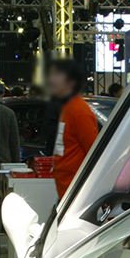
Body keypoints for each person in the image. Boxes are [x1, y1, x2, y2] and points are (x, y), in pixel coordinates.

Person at [46, 58, 98, 198]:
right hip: (68, 191)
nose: (51, 80)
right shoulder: (68, 107)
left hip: (77, 193)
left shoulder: (79, 112)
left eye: (56, 75)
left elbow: (94, 153)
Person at [0, 82, 20, 165]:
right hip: (2, 162)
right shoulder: (8, 113)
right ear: (2, 94)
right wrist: (16, 165)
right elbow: (14, 143)